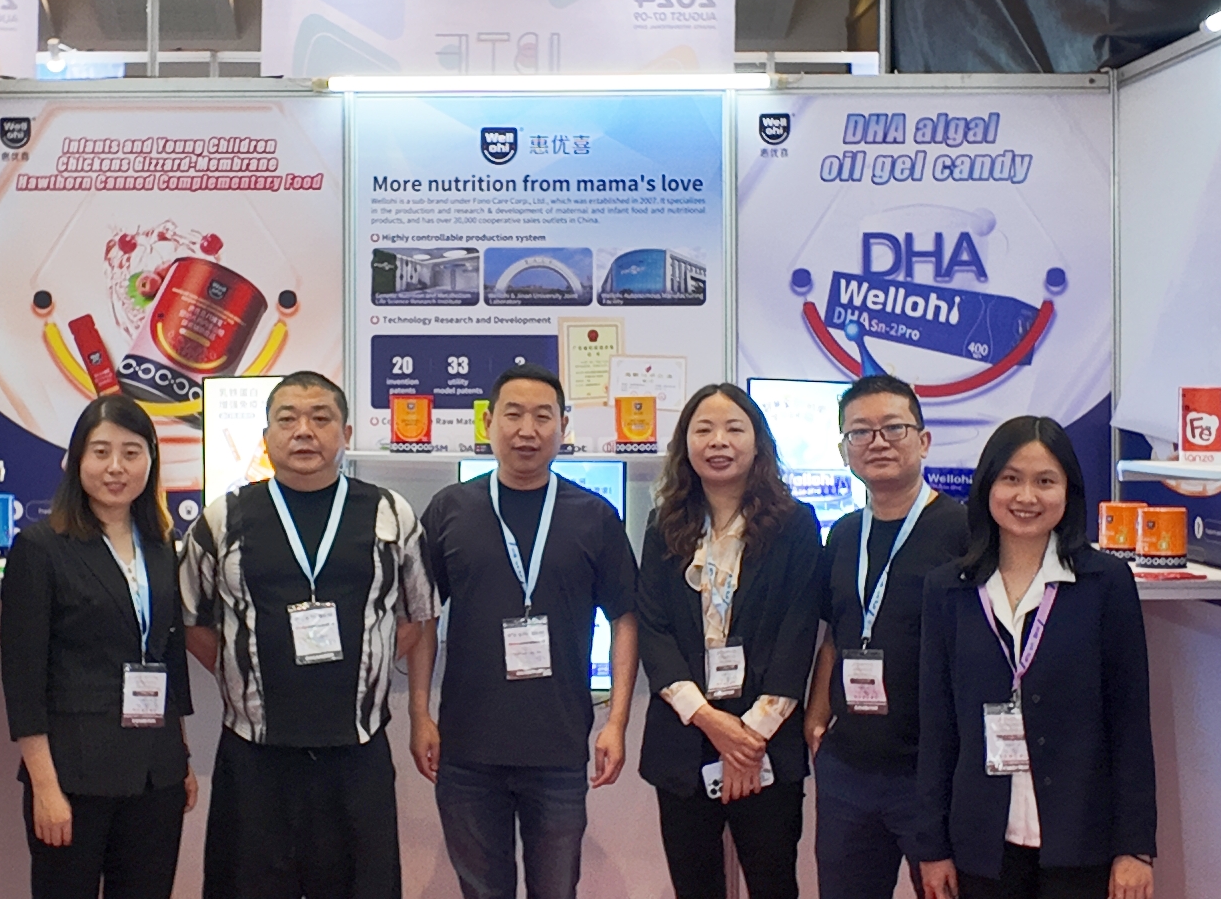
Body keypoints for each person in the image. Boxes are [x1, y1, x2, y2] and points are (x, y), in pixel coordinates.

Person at [181, 370, 439, 899]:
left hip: (356, 753)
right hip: (254, 755)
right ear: (266, 436)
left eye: (321, 418)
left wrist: (400, 695)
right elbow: (195, 623)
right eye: (288, 419)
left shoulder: (390, 513)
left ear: (346, 434)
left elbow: (417, 617)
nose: (304, 431)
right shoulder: (224, 518)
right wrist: (248, 668)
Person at [413, 363, 639, 899]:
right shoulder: (450, 509)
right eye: (513, 415)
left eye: (542, 417)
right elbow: (422, 616)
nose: (527, 431)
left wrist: (617, 723)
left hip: (558, 746)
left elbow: (625, 618)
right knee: (481, 891)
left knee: (556, 890)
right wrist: (419, 714)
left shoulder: (595, 516)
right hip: (467, 748)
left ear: (563, 426)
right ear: (488, 423)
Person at [915, 416, 1156, 899]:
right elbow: (938, 728)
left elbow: (1129, 723)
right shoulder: (949, 589)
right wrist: (932, 845)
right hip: (980, 843)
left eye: (1045, 481)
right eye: (1011, 478)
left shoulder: (1105, 583)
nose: (1027, 497)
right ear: (988, 485)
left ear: (1068, 491)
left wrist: (1135, 848)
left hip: (1080, 840)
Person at [0, 394, 197, 899]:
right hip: (74, 777)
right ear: (76, 460)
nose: (116, 468)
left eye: (131, 453)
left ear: (151, 461)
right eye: (101, 452)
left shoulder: (161, 544)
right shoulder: (41, 548)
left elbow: (167, 656)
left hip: (155, 775)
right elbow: (23, 681)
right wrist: (45, 788)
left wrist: (179, 758)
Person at [636, 382, 823, 899]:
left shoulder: (795, 525)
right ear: (686, 444)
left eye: (734, 428)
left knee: (773, 885)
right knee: (695, 888)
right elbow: (654, 629)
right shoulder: (663, 525)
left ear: (757, 442)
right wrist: (709, 720)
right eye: (704, 429)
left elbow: (797, 632)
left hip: (765, 744)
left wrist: (746, 741)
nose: (718, 441)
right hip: (684, 738)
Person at [805, 375, 971, 899]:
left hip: (933, 769)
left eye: (893, 428)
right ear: (844, 450)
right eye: (860, 432)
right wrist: (815, 717)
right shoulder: (843, 533)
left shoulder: (964, 531)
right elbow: (835, 634)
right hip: (848, 768)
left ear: (924, 441)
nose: (877, 442)